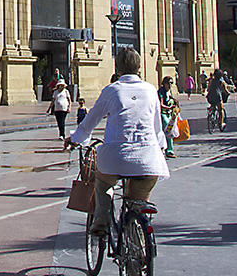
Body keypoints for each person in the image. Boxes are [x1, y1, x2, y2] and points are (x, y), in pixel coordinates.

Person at [64, 47, 169, 238]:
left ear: (117, 68)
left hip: (116, 158)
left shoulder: (112, 91)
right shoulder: (151, 90)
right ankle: (137, 238)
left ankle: (102, 220)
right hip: (148, 159)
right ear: (139, 67)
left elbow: (90, 121)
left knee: (103, 183)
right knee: (139, 201)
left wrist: (76, 138)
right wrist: (161, 148)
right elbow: (157, 129)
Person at [158, 76, 178, 158]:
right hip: (163, 114)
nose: (170, 85)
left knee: (170, 131)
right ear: (164, 83)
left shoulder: (169, 92)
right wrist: (169, 108)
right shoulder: (161, 92)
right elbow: (161, 104)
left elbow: (171, 99)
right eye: (169, 83)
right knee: (168, 131)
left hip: (169, 114)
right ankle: (168, 150)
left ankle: (168, 149)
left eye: (171, 83)